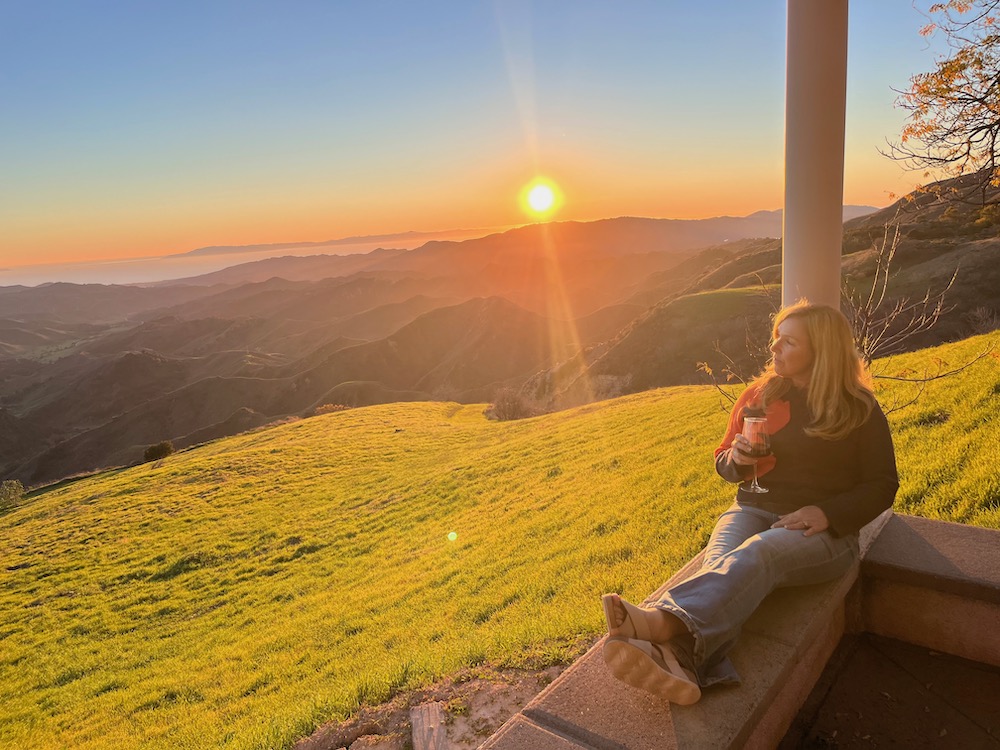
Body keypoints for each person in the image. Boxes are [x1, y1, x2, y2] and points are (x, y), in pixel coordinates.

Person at [601, 301, 899, 705]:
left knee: (760, 554)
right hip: (752, 508)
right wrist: (737, 461)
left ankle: (657, 623)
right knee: (720, 563)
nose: (774, 348)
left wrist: (827, 513)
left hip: (824, 532)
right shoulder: (759, 396)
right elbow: (724, 462)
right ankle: (685, 665)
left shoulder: (859, 408)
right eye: (776, 337)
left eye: (789, 341)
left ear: (823, 349)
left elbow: (883, 485)